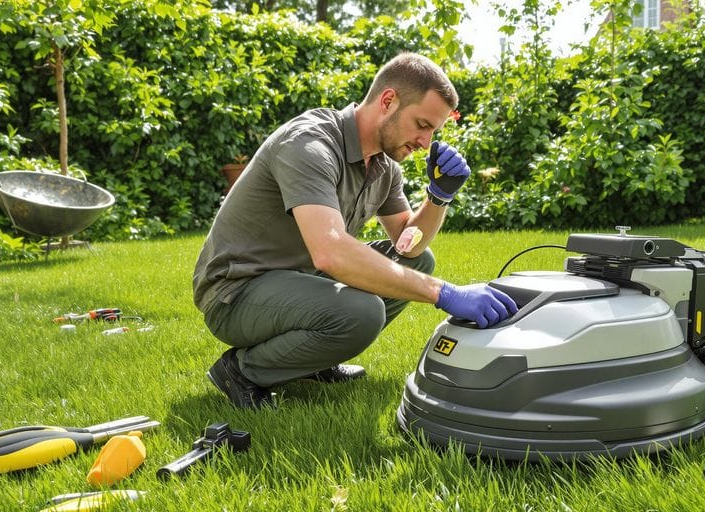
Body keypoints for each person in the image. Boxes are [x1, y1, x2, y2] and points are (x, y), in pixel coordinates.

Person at [193, 53, 518, 409]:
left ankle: (311, 360)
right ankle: (241, 371)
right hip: (236, 291)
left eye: (433, 132)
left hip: (300, 281)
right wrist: (443, 293)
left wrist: (439, 197)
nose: (426, 142)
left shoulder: (383, 166)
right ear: (388, 101)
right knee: (362, 312)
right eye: (422, 124)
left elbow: (408, 245)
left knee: (418, 261)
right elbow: (330, 251)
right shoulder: (310, 144)